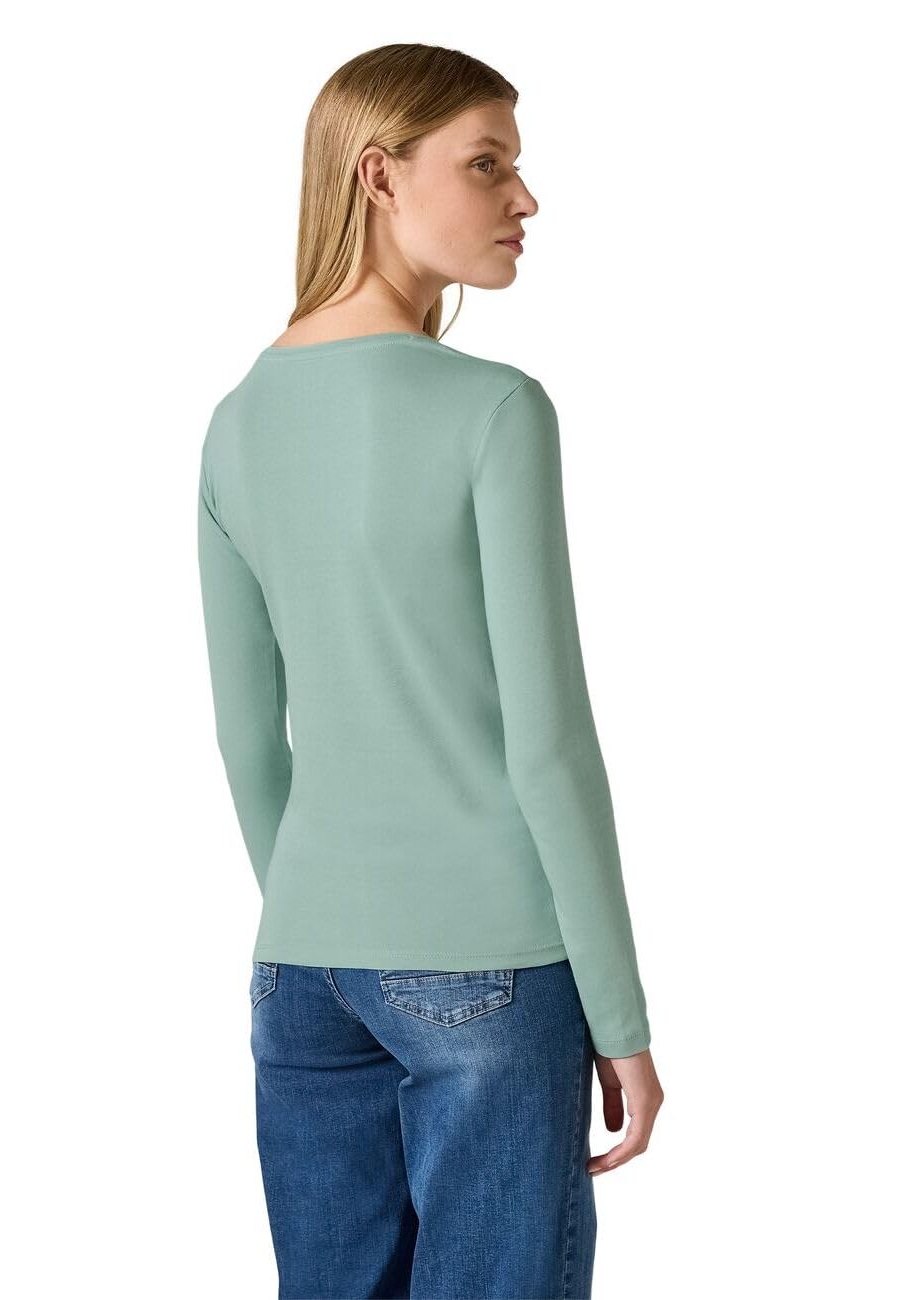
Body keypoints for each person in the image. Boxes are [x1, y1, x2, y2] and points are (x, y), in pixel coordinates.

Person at [196, 42, 664, 1300]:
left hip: (301, 972)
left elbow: (248, 741)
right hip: (488, 961)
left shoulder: (236, 423)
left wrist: (333, 921)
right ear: (378, 175)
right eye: (486, 163)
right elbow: (548, 744)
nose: (524, 197)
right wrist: (620, 1020)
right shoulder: (493, 410)